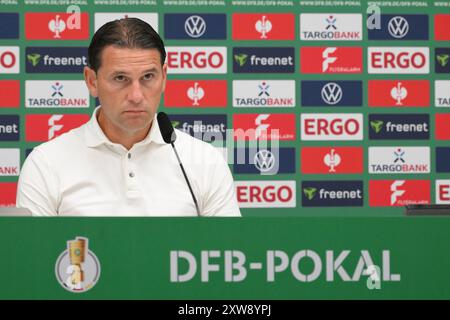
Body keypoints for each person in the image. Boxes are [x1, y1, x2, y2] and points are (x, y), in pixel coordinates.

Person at [16, 18, 241, 217]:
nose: (136, 96)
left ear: (164, 78)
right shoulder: (46, 163)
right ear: (91, 81)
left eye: (148, 77)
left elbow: (228, 253)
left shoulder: (205, 161)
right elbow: (33, 259)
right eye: (120, 78)